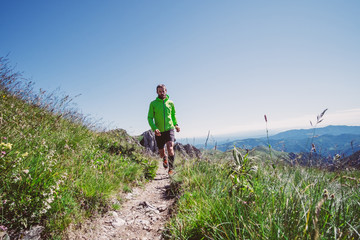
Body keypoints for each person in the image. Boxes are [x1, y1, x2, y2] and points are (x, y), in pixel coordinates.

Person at [147, 84, 180, 175]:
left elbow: (173, 115)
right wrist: (154, 129)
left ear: (166, 91)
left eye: (164, 91)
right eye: (160, 91)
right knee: (161, 153)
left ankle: (171, 169)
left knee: (170, 147)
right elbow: (150, 118)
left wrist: (176, 125)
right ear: (157, 92)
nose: (162, 92)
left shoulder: (170, 103)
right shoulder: (153, 104)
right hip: (159, 132)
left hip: (170, 129)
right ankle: (164, 158)